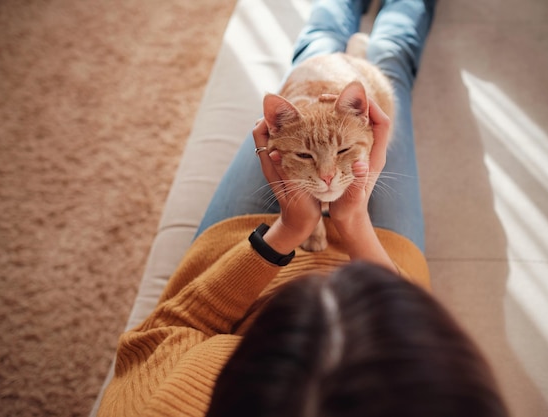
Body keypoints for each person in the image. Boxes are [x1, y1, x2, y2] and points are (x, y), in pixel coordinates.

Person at [97, 0, 509, 416]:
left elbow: (172, 328)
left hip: (255, 244)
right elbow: (416, 331)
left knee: (313, 60)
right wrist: (354, 223)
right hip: (382, 260)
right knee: (391, 60)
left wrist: (287, 230)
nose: (329, 177)